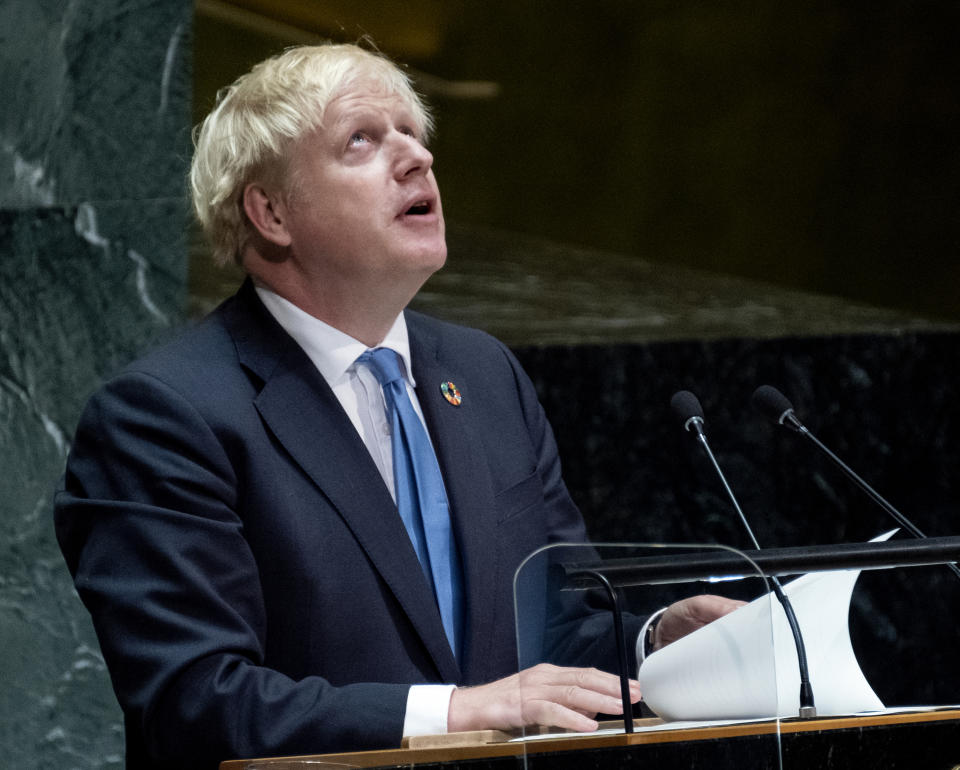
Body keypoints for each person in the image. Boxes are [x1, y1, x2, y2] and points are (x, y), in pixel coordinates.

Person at [54, 43, 739, 770]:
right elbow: (195, 702)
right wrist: (458, 711)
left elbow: (553, 634)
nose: (417, 158)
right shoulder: (167, 416)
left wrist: (655, 640)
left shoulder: (483, 373)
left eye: (414, 134)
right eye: (362, 140)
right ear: (271, 211)